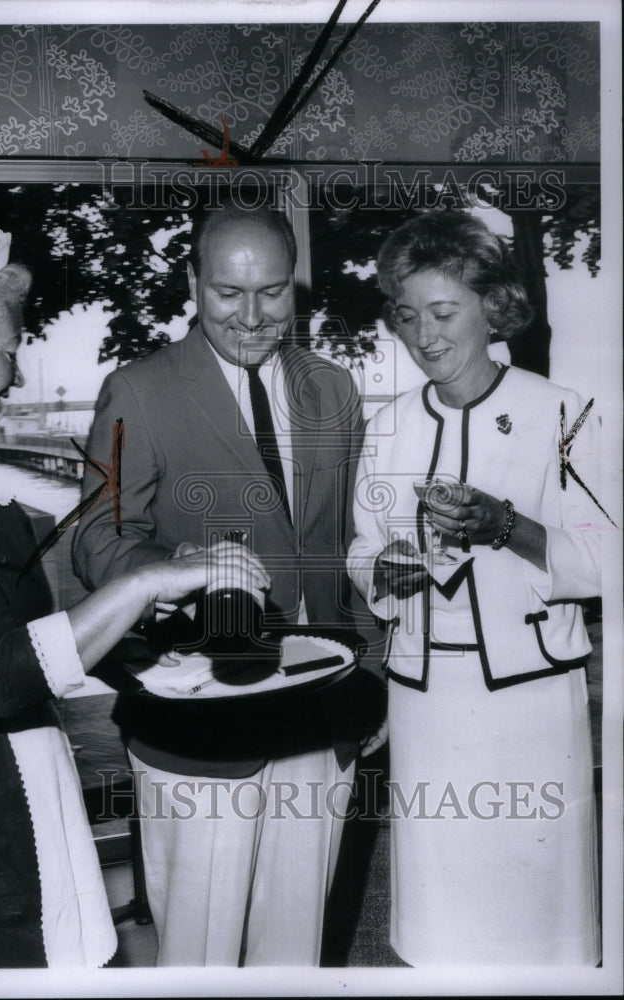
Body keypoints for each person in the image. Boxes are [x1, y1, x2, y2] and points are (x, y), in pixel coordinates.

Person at [0, 232, 268, 970]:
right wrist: (141, 582)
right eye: (9, 349)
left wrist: (140, 608)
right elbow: (2, 673)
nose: (16, 373)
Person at [72, 200, 373, 966]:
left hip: (319, 712)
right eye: (226, 293)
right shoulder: (137, 390)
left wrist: (372, 668)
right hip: (199, 715)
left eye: (270, 292)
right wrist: (169, 574)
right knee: (198, 956)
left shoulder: (333, 389)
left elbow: (343, 544)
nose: (249, 315)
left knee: (295, 953)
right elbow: (98, 535)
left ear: (294, 286)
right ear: (192, 282)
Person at [347, 210, 607, 965]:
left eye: (442, 312)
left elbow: (603, 562)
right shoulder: (388, 426)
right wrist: (383, 575)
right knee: (442, 919)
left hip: (529, 699)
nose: (423, 336)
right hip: (426, 700)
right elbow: (362, 551)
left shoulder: (562, 414)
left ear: (490, 308)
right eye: (406, 315)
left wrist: (506, 527)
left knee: (535, 915)